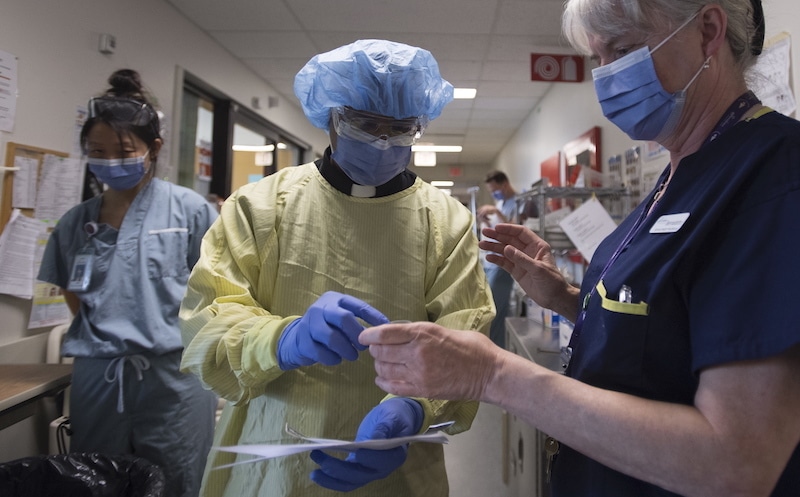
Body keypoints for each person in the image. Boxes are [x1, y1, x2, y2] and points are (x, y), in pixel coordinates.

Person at [358, 1, 800, 496]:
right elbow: (670, 331)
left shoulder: (773, 173)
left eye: (625, 49)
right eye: (598, 59)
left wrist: (493, 374)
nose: (609, 76)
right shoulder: (680, 172)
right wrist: (566, 298)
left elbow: (738, 463)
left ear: (708, 30)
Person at [179, 39, 494, 497]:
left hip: (398, 469)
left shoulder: (447, 222)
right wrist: (280, 340)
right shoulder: (259, 207)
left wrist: (413, 408)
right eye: (366, 124)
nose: (383, 141)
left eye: (401, 128)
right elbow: (207, 324)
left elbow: (467, 337)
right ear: (331, 117)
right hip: (274, 462)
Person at [37, 69, 219, 497]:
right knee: (98, 480)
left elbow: (218, 292)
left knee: (178, 478)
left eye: (123, 151)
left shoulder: (189, 211)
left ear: (152, 148)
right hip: (100, 380)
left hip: (174, 380)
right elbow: (72, 293)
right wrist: (111, 337)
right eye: (97, 151)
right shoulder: (76, 222)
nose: (109, 161)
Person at [477, 170, 519, 348]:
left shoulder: (519, 202)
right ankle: (494, 347)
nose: (494, 194)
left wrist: (496, 212)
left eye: (495, 189)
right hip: (492, 261)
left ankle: (496, 350)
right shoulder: (502, 202)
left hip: (504, 264)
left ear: (505, 184)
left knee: (495, 310)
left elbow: (516, 231)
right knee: (492, 308)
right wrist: (485, 222)